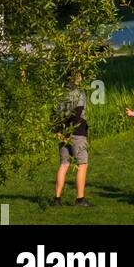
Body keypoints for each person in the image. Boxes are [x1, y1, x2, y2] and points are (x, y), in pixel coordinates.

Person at [54, 73, 91, 207]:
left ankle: (57, 199)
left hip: (62, 132)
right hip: (77, 132)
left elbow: (54, 114)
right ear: (77, 78)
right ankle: (80, 199)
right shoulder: (79, 94)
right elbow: (78, 113)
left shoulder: (60, 94)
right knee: (82, 164)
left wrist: (58, 131)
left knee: (64, 164)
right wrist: (72, 130)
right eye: (80, 76)